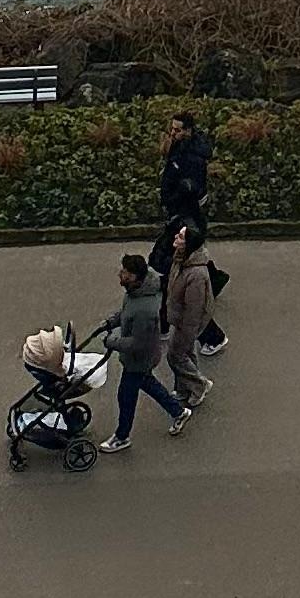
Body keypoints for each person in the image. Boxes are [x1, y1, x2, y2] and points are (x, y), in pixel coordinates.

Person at [98, 253, 189, 450]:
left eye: (124, 272)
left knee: (126, 396)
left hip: (138, 358)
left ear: (134, 277)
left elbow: (137, 343)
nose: (120, 275)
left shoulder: (145, 311)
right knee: (148, 383)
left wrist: (111, 342)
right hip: (142, 357)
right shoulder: (136, 293)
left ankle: (122, 437)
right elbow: (127, 313)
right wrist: (111, 321)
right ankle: (178, 411)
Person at [152, 118, 228, 355]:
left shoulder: (192, 158)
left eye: (177, 130)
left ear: (188, 131)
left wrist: (176, 197)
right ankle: (215, 280)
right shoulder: (181, 149)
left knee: (170, 272)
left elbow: (193, 190)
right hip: (180, 216)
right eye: (171, 129)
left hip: (184, 218)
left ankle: (212, 336)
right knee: (170, 269)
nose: (172, 133)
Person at [164, 219, 215, 413]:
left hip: (187, 323)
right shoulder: (181, 260)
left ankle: (199, 385)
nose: (176, 237)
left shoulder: (196, 274)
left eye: (181, 236)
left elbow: (194, 309)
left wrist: (189, 331)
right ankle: (185, 388)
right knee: (186, 353)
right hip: (179, 318)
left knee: (175, 355)